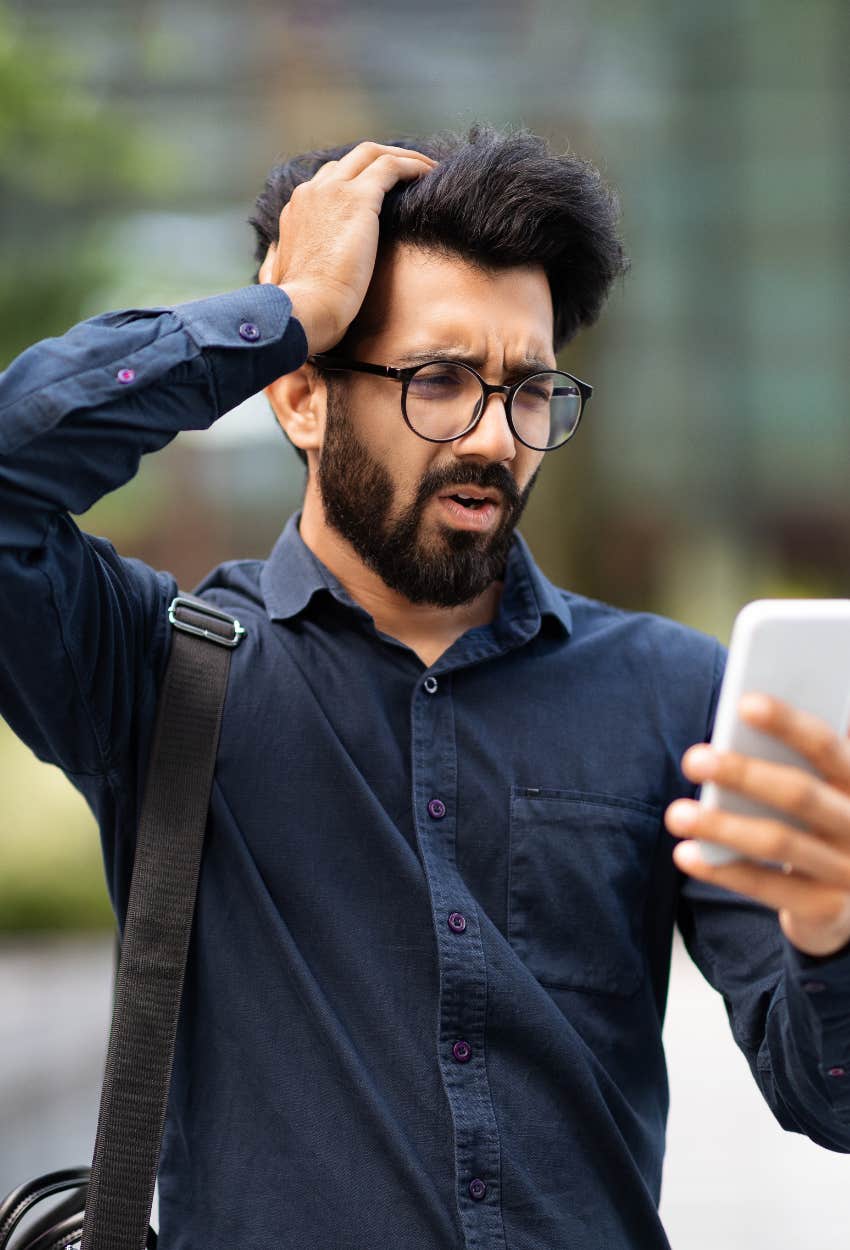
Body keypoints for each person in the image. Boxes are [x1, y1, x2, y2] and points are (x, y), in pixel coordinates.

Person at [1, 124, 849, 1250]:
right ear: (300, 397)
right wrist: (288, 309)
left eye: (529, 388)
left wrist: (834, 930)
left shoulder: (676, 693)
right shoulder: (159, 667)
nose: (495, 438)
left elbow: (824, 1096)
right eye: (438, 381)